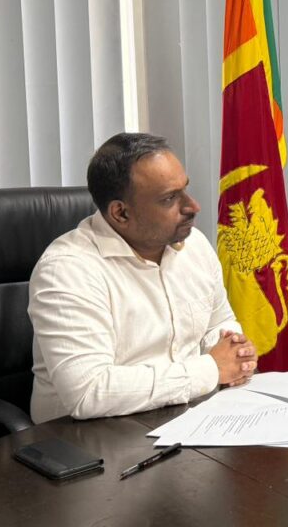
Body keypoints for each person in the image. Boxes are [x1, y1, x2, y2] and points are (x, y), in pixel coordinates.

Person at [29, 133, 257, 423]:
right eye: (170, 198)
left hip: (185, 421)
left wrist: (235, 352)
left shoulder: (194, 245)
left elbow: (218, 322)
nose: (192, 206)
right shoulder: (67, 270)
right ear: (120, 213)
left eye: (185, 190)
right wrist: (211, 369)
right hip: (89, 442)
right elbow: (88, 392)